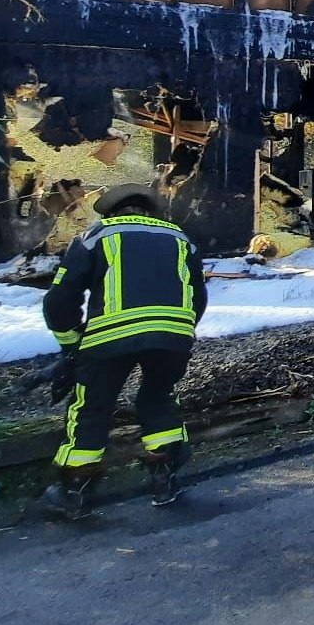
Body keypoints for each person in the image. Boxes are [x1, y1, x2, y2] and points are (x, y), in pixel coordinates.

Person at [40, 184, 207, 517]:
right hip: (173, 335)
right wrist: (179, 330)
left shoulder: (96, 235)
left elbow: (60, 298)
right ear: (150, 211)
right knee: (157, 398)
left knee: (92, 406)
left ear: (112, 211)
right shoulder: (180, 238)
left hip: (109, 339)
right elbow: (198, 295)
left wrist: (71, 344)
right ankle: (164, 477)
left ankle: (76, 489)